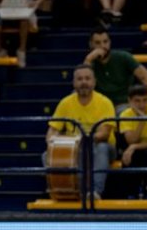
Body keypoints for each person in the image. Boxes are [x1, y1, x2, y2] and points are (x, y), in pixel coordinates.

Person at [45, 64, 116, 199]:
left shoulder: (105, 102)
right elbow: (51, 132)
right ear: (74, 83)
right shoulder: (65, 103)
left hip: (101, 146)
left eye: (87, 78)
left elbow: (104, 134)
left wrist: (80, 140)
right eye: (80, 79)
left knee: (100, 148)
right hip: (75, 147)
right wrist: (57, 143)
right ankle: (63, 190)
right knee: (46, 155)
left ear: (94, 82)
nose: (84, 82)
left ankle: (95, 192)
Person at [84, 27, 147, 107]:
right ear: (91, 44)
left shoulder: (123, 57)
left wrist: (135, 98)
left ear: (110, 42)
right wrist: (89, 59)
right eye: (97, 43)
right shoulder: (89, 62)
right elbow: (84, 83)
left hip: (123, 103)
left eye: (105, 42)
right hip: (100, 104)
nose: (102, 46)